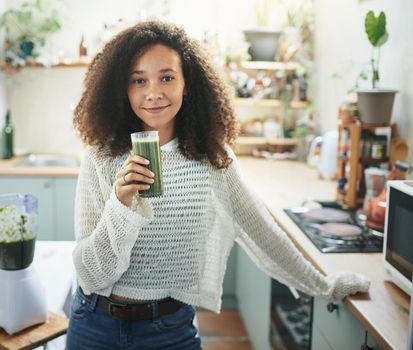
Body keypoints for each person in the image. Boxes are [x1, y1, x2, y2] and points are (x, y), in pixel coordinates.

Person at [67, 20, 369, 349]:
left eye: (167, 77)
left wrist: (325, 286)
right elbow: (92, 275)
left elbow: (264, 234)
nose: (153, 92)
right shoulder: (99, 159)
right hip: (96, 326)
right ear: (122, 89)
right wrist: (120, 205)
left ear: (188, 84)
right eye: (138, 80)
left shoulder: (213, 160)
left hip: (170, 331)